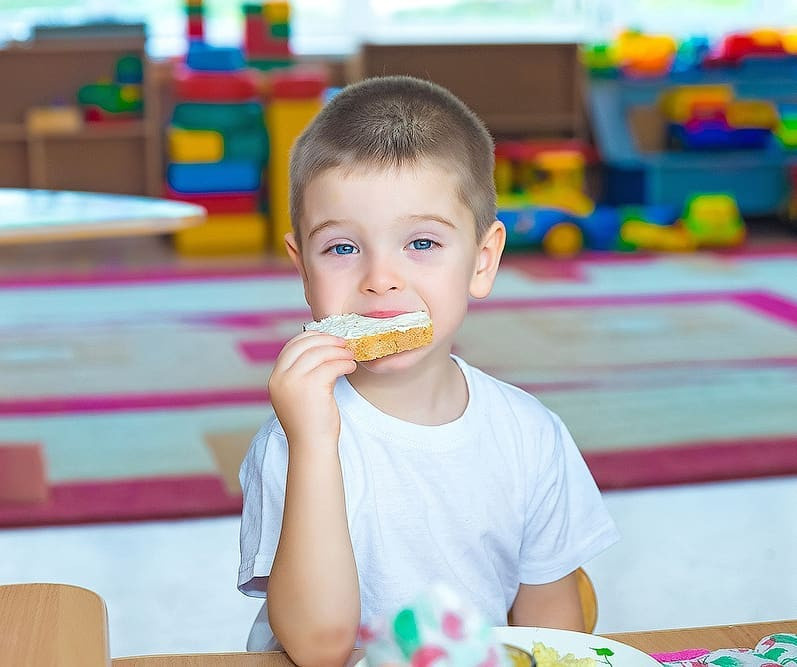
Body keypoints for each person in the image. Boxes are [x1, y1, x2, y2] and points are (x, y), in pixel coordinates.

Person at [237, 75, 619, 666]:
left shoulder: (529, 434)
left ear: (482, 261)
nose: (380, 278)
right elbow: (317, 648)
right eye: (341, 248)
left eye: (421, 243)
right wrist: (315, 443)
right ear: (303, 270)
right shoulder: (293, 439)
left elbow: (554, 632)